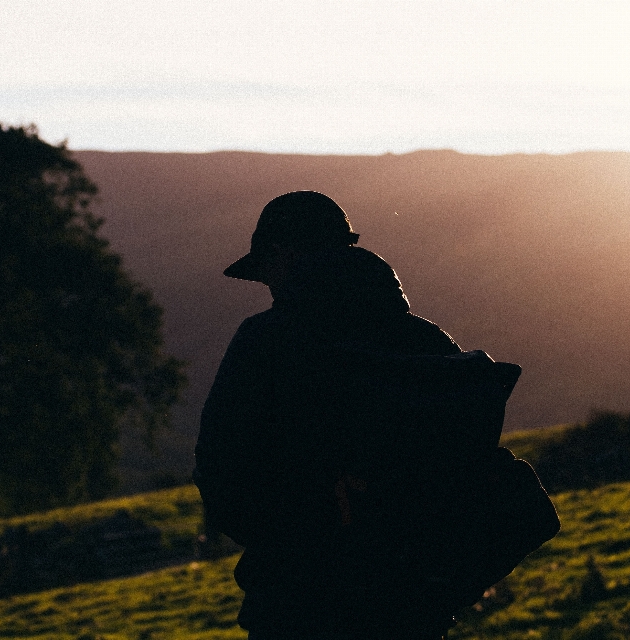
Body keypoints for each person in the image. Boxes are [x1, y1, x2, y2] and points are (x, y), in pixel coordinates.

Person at [194, 191, 462, 640]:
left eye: (268, 272)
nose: (270, 286)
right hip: (412, 602)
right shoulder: (428, 342)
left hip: (296, 603)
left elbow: (220, 468)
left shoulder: (265, 341)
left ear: (283, 253)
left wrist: (286, 543)